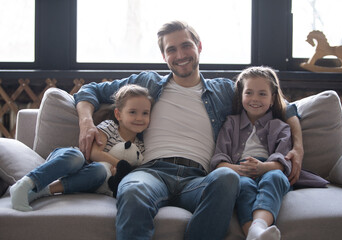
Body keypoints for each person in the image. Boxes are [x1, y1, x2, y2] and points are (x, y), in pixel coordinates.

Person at [73, 20, 303, 239]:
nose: (180, 55)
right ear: (164, 56)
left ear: (199, 46)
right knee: (133, 188)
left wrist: (299, 148)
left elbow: (284, 105)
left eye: (186, 46)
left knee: (227, 176)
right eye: (171, 49)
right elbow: (89, 91)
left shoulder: (223, 90)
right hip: (152, 172)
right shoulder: (147, 83)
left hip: (199, 178)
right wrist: (86, 123)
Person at [10, 84, 152, 211]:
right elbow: (94, 153)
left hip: (90, 177)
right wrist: (120, 165)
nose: (139, 118)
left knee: (100, 171)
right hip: (70, 162)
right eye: (133, 112)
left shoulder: (140, 146)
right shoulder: (109, 127)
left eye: (145, 113)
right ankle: (26, 183)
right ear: (118, 114)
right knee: (76, 156)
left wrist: (120, 173)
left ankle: (40, 192)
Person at [211, 66, 292, 240]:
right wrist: (239, 170)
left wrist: (263, 168)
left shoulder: (281, 127)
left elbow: (283, 162)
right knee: (244, 186)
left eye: (262, 94)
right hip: (239, 170)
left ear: (272, 99)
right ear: (241, 97)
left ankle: (258, 227)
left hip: (268, 169)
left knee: (275, 177)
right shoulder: (231, 124)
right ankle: (255, 235)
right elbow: (219, 160)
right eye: (249, 93)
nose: (255, 99)